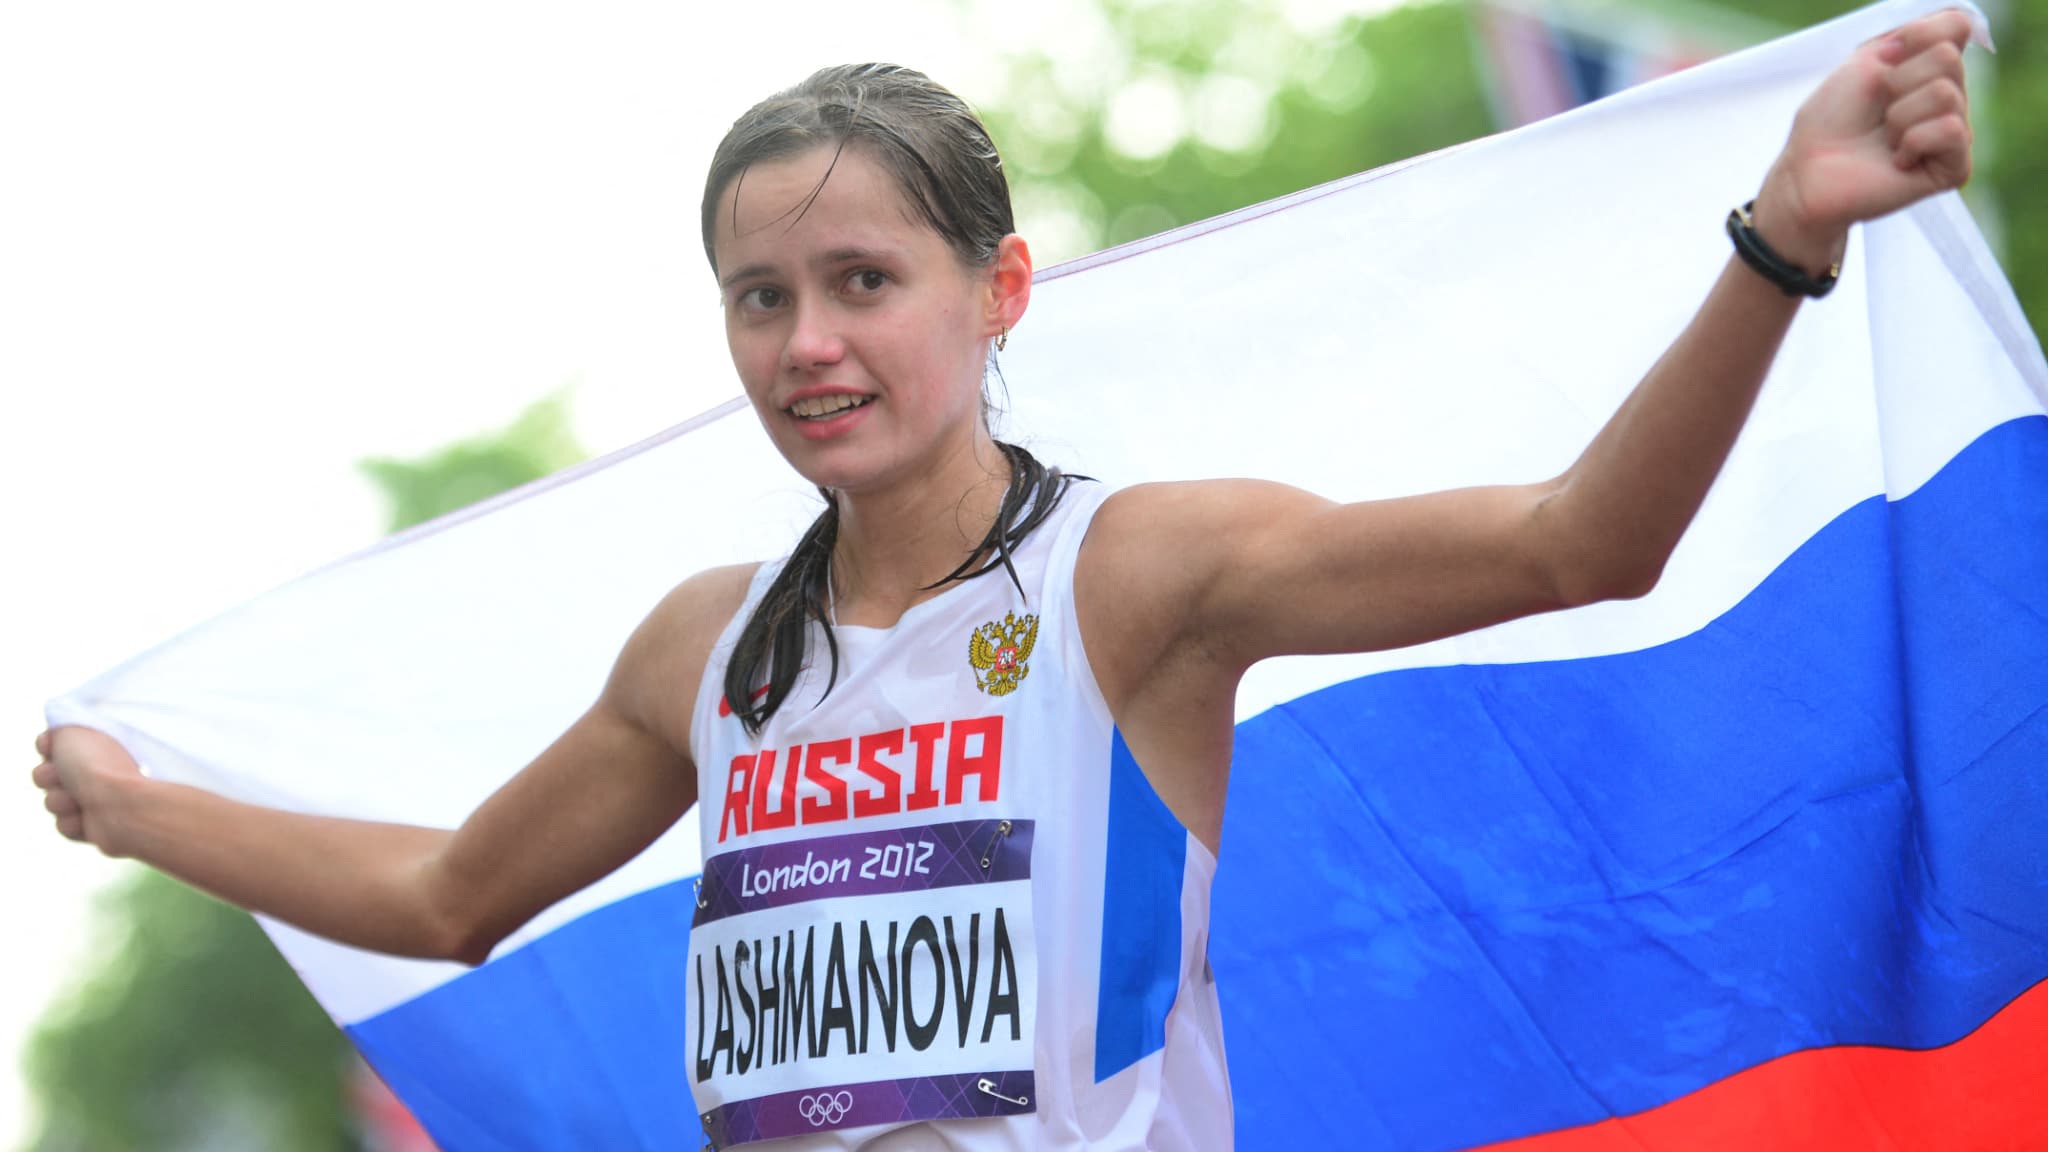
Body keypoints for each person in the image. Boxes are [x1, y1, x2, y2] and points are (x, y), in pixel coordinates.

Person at [32, 11, 1978, 1150]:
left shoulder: (1139, 571)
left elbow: (1581, 542)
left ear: (997, 292)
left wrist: (1777, 240)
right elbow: (448, 898)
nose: (808, 342)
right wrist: (143, 814)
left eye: (863, 283)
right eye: (761, 296)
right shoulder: (705, 653)